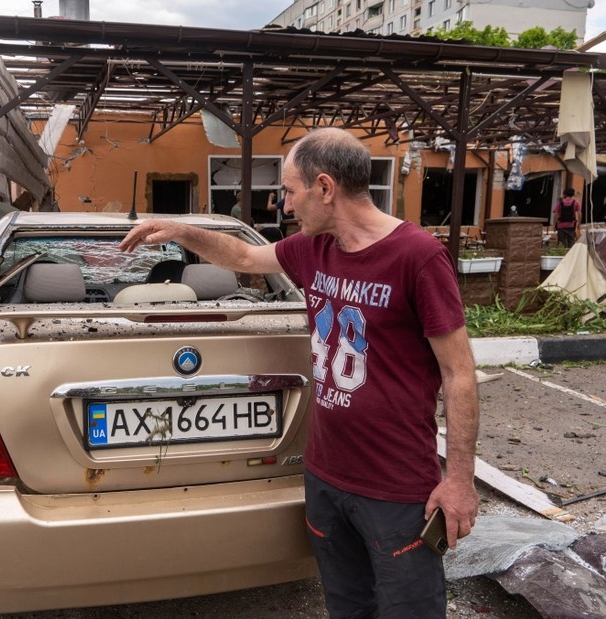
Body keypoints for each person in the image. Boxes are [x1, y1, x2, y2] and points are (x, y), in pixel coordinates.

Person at [121, 127, 479, 618]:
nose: (285, 205)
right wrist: (183, 230)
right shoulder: (313, 248)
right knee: (347, 606)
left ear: (325, 188)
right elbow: (244, 256)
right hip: (326, 477)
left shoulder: (417, 257)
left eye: (290, 191)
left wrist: (459, 479)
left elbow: (459, 373)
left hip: (396, 488)